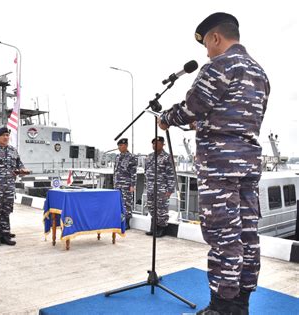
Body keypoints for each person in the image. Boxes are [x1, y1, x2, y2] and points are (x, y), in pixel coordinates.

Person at [158, 12, 270, 315]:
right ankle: (240, 305)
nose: (206, 51)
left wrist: (167, 119)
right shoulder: (260, 73)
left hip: (219, 165)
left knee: (223, 235)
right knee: (247, 234)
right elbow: (238, 118)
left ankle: (221, 308)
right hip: (248, 163)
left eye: (207, 43)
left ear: (216, 38)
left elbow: (193, 107)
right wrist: (205, 125)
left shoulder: (219, 65)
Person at [144, 136, 175, 237]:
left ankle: (162, 229)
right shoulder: (149, 157)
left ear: (162, 144)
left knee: (161, 209)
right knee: (151, 208)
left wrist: (170, 189)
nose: (154, 145)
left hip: (162, 188)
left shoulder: (167, 157)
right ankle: (154, 228)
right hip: (150, 187)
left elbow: (171, 174)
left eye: (157, 143)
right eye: (153, 143)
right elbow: (146, 171)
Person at [113, 138, 137, 230]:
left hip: (127, 184)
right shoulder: (117, 157)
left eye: (121, 145)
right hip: (117, 184)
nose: (119, 147)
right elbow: (115, 171)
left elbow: (133, 172)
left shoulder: (131, 157)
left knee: (127, 203)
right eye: (118, 146)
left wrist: (132, 185)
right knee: (118, 203)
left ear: (126, 145)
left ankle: (127, 222)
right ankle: (120, 221)